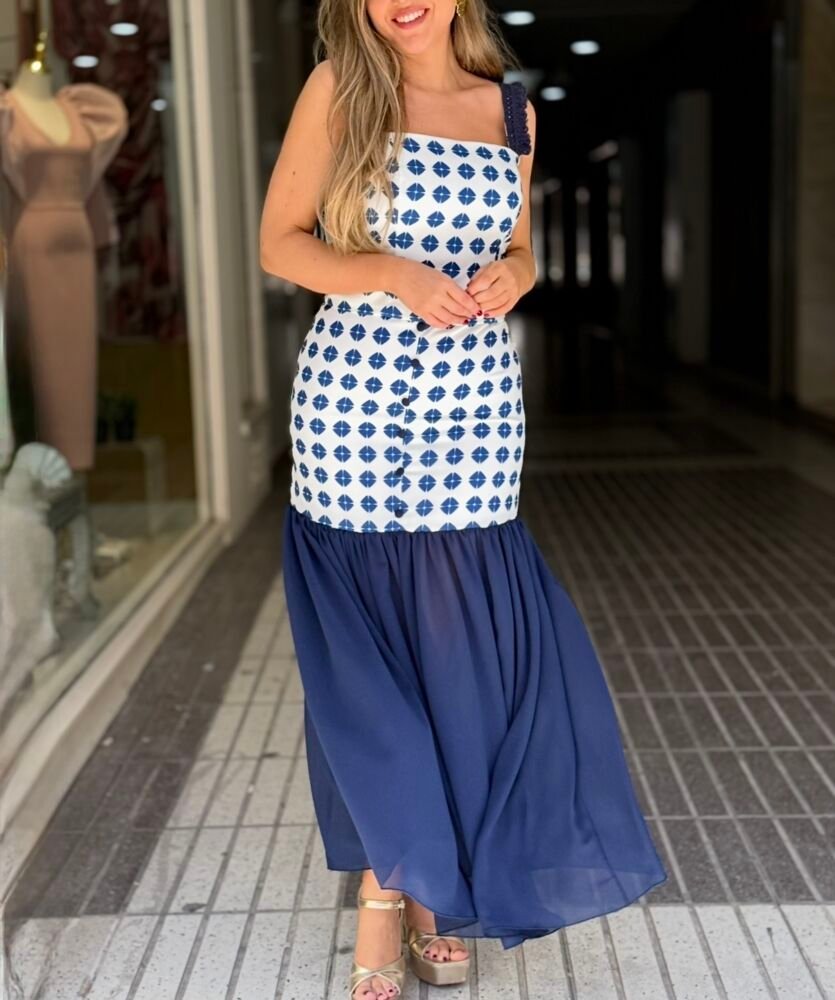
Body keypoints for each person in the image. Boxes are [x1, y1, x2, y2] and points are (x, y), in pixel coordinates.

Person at [259, 1, 667, 997]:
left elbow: (522, 246)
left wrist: (514, 277)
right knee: (372, 666)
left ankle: (427, 880)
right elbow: (280, 243)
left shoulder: (512, 110)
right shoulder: (340, 89)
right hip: (354, 396)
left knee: (460, 659)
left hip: (473, 402)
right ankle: (395, 889)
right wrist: (388, 274)